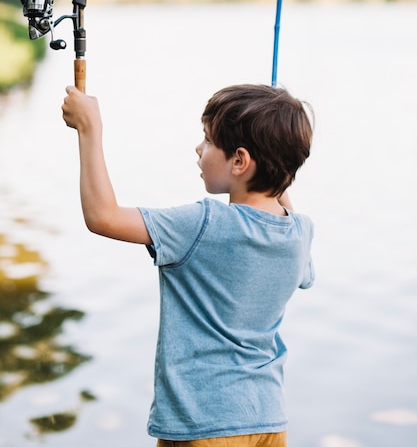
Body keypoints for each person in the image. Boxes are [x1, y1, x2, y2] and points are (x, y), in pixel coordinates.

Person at [62, 82, 315, 447]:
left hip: (205, 425)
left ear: (240, 161)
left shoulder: (203, 224)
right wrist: (277, 157)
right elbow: (287, 222)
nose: (199, 148)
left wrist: (89, 129)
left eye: (209, 140)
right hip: (268, 422)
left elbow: (103, 216)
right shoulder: (300, 231)